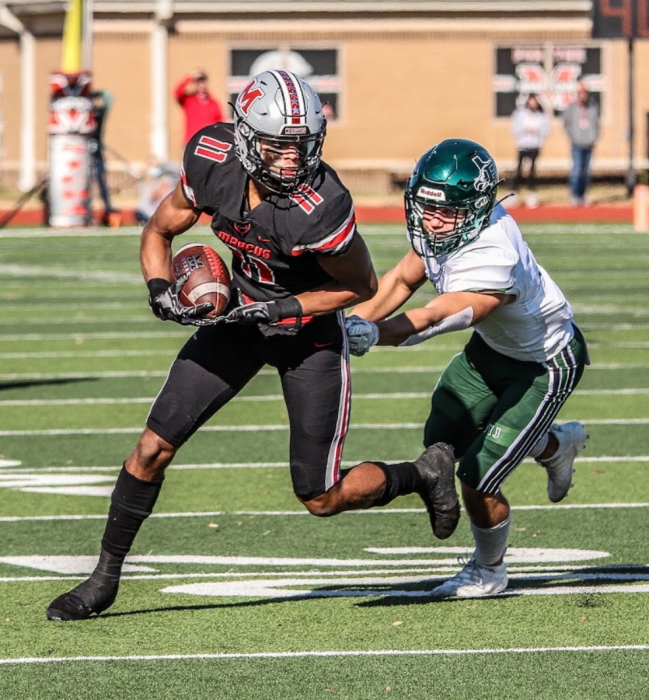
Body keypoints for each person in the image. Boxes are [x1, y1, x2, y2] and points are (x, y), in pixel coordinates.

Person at [46, 70, 459, 621]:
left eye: (302, 146)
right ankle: (103, 578)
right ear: (244, 137)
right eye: (277, 146)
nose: (292, 160)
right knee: (150, 448)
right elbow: (158, 232)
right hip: (239, 316)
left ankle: (422, 473)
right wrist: (159, 289)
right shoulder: (212, 158)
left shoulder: (323, 202)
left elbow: (360, 286)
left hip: (308, 334)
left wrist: (286, 307)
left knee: (320, 496)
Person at [345, 138, 589, 598]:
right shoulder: (442, 227)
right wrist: (354, 322)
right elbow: (401, 278)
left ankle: (489, 569)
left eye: (448, 211)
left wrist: (375, 335)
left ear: (476, 209)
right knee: (441, 433)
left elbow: (444, 313)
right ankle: (554, 445)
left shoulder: (494, 248)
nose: (433, 220)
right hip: (492, 351)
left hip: (543, 363)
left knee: (477, 477)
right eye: (426, 207)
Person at [509, 94, 551, 208]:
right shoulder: (520, 114)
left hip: (535, 145)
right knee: (518, 171)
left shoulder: (541, 116)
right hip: (523, 145)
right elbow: (514, 128)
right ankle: (514, 194)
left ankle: (531, 194)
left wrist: (537, 131)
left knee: (532, 171)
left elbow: (546, 131)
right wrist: (525, 130)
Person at [561, 81, 600, 206]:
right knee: (577, 170)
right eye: (581, 93)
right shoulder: (572, 107)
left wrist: (594, 137)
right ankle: (575, 194)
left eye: (585, 93)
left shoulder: (593, 106)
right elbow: (566, 123)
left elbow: (596, 124)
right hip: (577, 143)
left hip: (589, 143)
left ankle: (583, 194)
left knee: (587, 171)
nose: (583, 95)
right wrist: (572, 136)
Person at [87, 88, 120, 226]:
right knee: (85, 185)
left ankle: (108, 209)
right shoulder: (83, 115)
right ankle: (86, 213)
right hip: (82, 157)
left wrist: (97, 93)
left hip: (97, 154)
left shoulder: (98, 114)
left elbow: (109, 98)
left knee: (101, 183)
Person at [173, 69, 224, 147]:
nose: (201, 85)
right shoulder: (189, 100)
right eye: (198, 82)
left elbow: (220, 123)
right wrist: (189, 77)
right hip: (191, 141)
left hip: (208, 141)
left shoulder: (213, 103)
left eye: (203, 81)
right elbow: (177, 92)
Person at [134, 156, 180, 225]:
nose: (154, 167)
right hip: (149, 213)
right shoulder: (145, 182)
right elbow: (147, 201)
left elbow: (176, 171)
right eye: (151, 164)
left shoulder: (166, 178)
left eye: (156, 165)